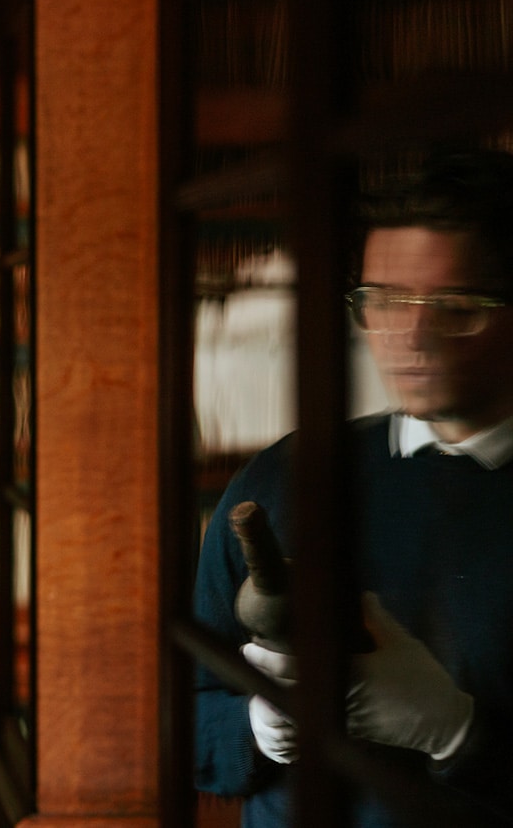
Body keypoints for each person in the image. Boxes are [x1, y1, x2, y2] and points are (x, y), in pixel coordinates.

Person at [193, 148, 513, 826]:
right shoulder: (281, 480)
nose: (410, 337)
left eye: (453, 306)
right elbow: (182, 711)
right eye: (383, 301)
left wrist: (458, 734)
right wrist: (256, 724)